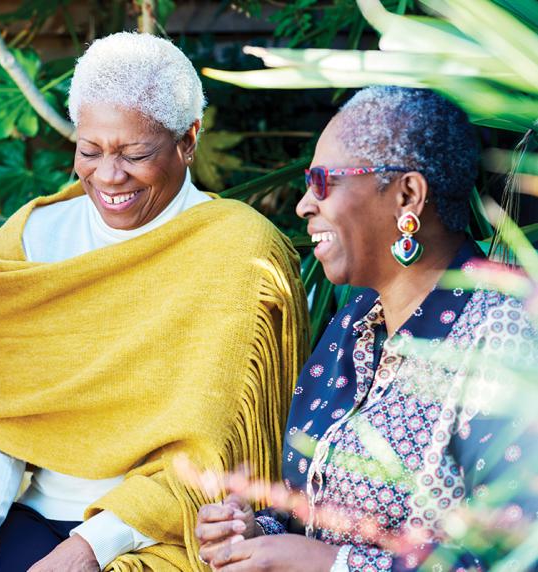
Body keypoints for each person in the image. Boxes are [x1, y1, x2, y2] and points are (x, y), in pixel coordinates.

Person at [0, 32, 309, 572]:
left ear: (189, 140)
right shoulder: (31, 239)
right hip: (39, 516)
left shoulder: (238, 251)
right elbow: (1, 421)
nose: (109, 176)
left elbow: (209, 451)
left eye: (135, 155)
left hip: (171, 529)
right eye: (89, 151)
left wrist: (88, 548)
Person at [195, 86, 538, 571]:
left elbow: (518, 556)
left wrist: (330, 564)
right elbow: (313, 520)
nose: (304, 205)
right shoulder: (357, 319)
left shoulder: (506, 333)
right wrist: (257, 534)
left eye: (322, 181)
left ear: (407, 195)